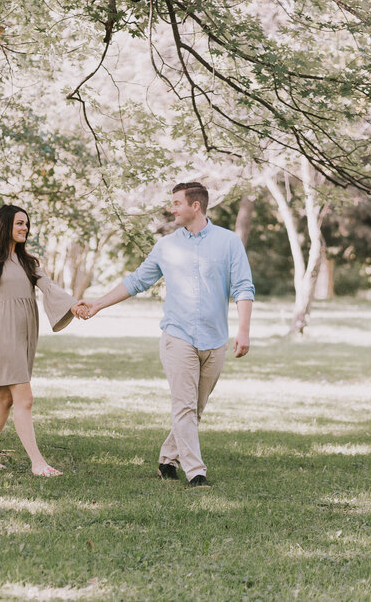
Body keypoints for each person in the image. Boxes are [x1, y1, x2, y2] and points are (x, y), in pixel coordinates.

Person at [76, 182, 254, 488]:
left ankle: (167, 460)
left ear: (195, 206)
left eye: (176, 203)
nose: (171, 208)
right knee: (184, 406)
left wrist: (244, 330)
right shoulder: (166, 246)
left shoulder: (228, 242)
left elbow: (243, 287)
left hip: (215, 340)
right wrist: (98, 304)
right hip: (178, 336)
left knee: (195, 408)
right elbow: (136, 281)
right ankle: (196, 473)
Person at [0, 204, 87, 477]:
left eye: (26, 224)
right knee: (25, 398)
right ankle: (37, 463)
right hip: (2, 334)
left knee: (5, 398)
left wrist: (74, 307)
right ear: (4, 225)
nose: (24, 228)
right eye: (19, 223)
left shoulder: (28, 261)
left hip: (26, 335)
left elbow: (49, 287)